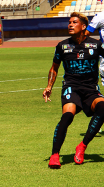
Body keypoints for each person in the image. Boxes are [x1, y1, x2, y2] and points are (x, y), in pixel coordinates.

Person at [43, 12, 104, 169]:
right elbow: (54, 68)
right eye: (69, 22)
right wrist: (49, 86)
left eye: (74, 22)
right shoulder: (62, 46)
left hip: (91, 89)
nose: (70, 24)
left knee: (103, 108)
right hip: (71, 87)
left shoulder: (96, 45)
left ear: (83, 26)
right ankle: (55, 155)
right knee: (67, 116)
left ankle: (82, 146)